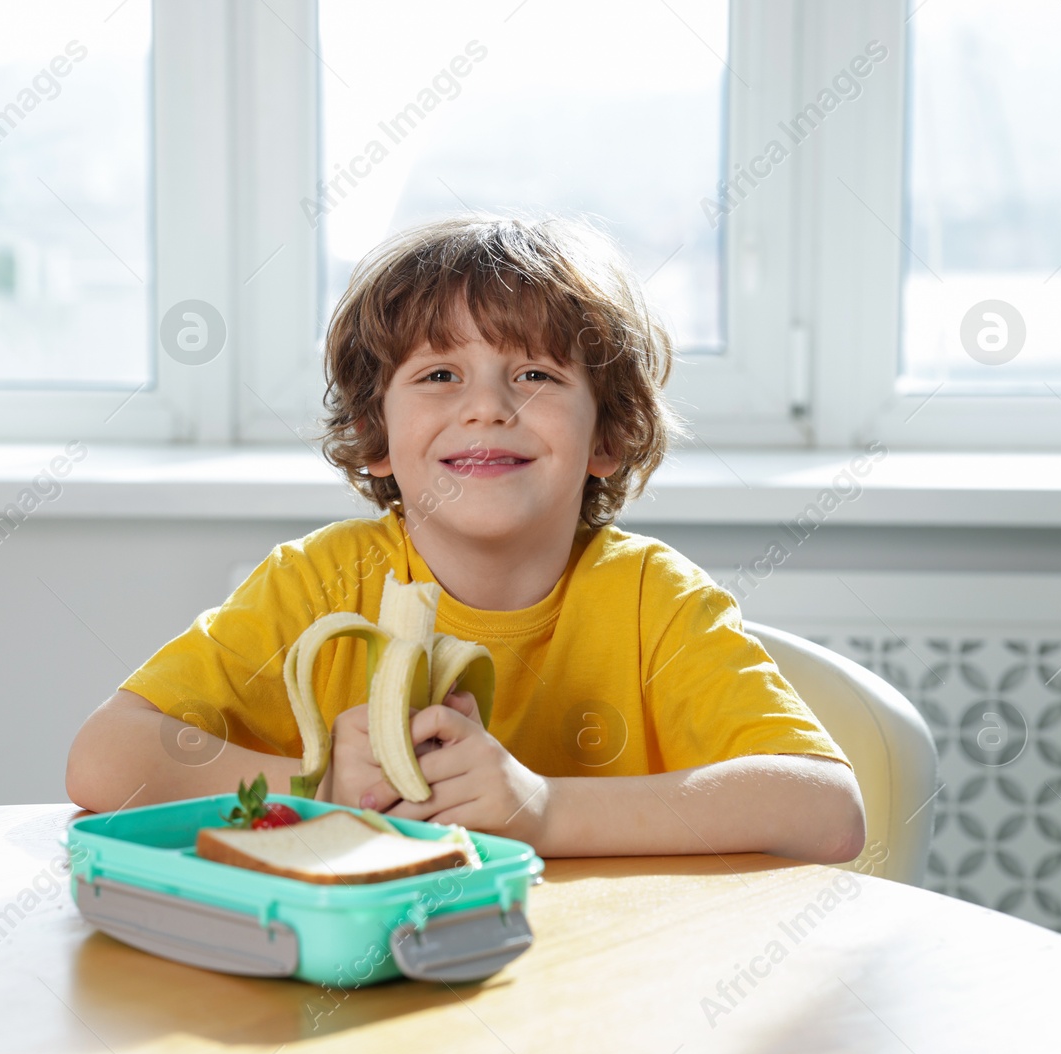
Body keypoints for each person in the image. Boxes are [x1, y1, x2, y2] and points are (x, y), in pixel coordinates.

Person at [67, 214, 865, 862]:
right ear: (376, 434)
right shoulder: (316, 584)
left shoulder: (654, 600)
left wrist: (545, 809)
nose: (487, 407)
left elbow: (826, 811)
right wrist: (316, 784)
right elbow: (104, 758)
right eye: (440, 375)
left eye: (536, 376)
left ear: (608, 437)